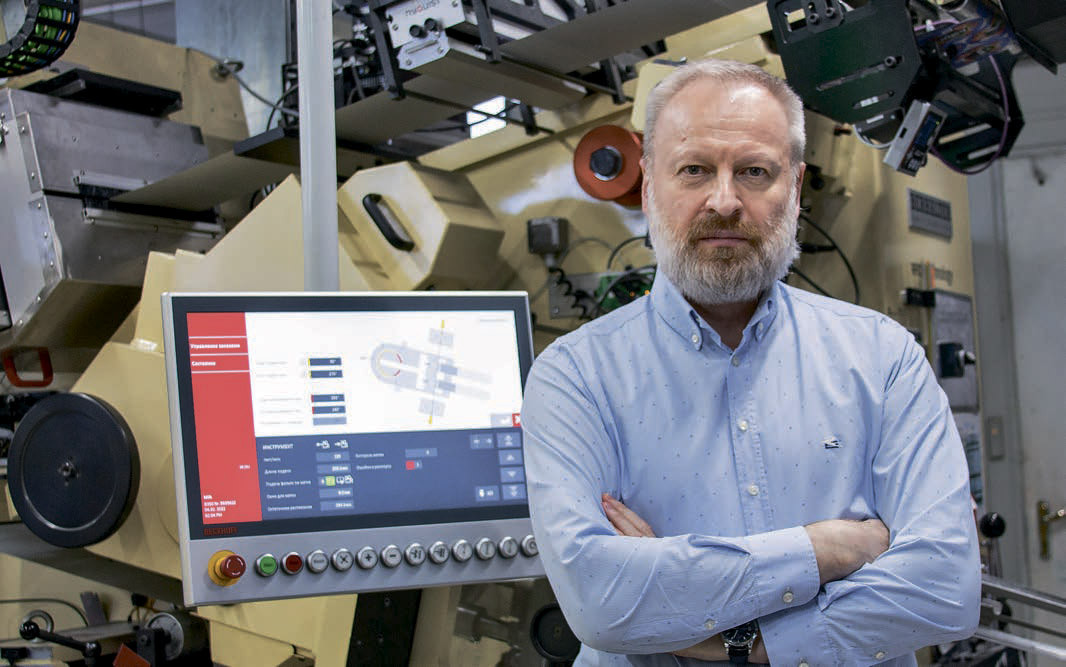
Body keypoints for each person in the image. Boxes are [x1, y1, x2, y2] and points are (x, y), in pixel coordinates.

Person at [520, 58, 980, 666]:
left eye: (754, 171)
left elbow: (945, 589)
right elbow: (601, 604)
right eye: (694, 169)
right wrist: (827, 550)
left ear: (796, 186)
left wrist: (729, 638)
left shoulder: (882, 357)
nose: (724, 201)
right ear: (649, 185)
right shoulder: (574, 377)